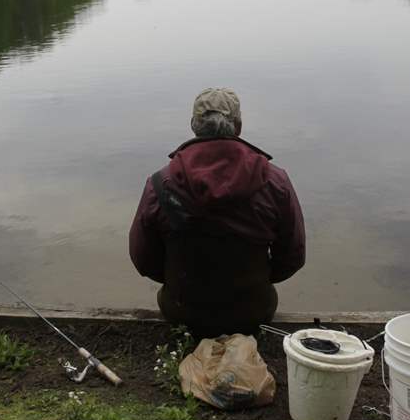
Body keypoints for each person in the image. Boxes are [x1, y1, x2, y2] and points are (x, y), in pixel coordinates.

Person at [129, 87, 306, 337]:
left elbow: (143, 258)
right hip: (253, 312)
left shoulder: (160, 183)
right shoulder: (275, 181)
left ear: (194, 126)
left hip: (183, 312)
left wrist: (181, 279)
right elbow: (293, 256)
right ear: (239, 126)